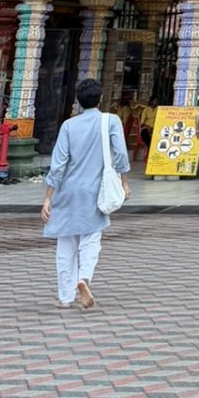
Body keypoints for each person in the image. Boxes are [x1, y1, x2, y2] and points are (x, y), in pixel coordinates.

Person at [41, 78, 130, 311]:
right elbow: (120, 154)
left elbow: (58, 163)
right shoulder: (111, 121)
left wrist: (48, 197)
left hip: (68, 191)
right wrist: (124, 182)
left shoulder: (69, 126)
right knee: (91, 240)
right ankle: (84, 278)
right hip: (94, 191)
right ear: (100, 98)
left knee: (65, 243)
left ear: (78, 101)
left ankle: (64, 297)